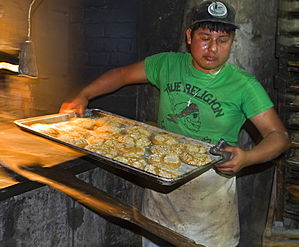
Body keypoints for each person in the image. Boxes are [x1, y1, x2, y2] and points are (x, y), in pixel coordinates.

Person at [60, 1, 290, 246]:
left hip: (210, 200)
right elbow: (121, 75)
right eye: (204, 38)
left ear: (232, 42)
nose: (212, 48)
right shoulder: (167, 64)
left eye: (222, 40)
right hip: (163, 188)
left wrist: (247, 158)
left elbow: (279, 136)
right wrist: (83, 95)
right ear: (189, 36)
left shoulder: (243, 85)